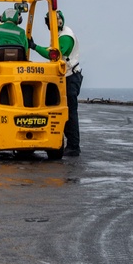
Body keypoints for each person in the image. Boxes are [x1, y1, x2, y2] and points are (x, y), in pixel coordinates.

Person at [32, 10, 81, 156]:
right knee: (60, 110)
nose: (49, 25)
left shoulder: (66, 36)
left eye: (50, 22)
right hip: (64, 77)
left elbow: (54, 54)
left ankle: (73, 146)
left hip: (70, 77)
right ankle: (61, 142)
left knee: (70, 112)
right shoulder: (58, 35)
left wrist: (34, 47)